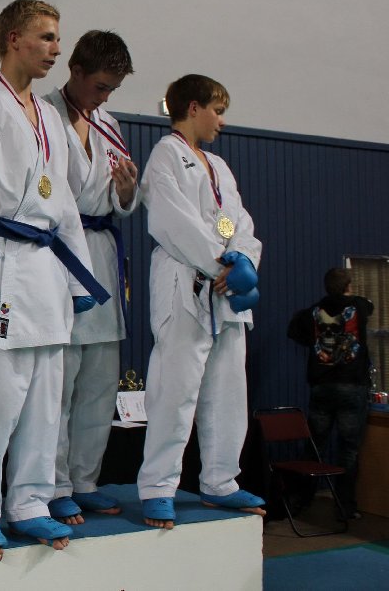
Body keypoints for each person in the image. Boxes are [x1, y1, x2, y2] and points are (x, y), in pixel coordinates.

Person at [0, 0, 107, 562]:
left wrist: (79, 281)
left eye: (57, 39)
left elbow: (66, 208)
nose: (57, 49)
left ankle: (31, 501)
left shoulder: (51, 118)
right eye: (47, 37)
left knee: (43, 402)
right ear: (14, 38)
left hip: (47, 270)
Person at [136, 74, 266, 528]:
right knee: (175, 391)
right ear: (193, 107)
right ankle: (158, 486)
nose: (222, 121)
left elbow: (241, 222)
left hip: (226, 294)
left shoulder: (220, 166)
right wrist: (220, 263)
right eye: (218, 110)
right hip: (184, 282)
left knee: (229, 391)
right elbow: (173, 221)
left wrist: (244, 259)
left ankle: (220, 481)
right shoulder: (165, 156)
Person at [43, 30, 139, 524]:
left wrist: (126, 194)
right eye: (100, 86)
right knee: (58, 387)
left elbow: (119, 201)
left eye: (112, 90)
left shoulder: (109, 125)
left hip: (100, 252)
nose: (104, 98)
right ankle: (54, 484)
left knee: (100, 384)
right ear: (75, 71)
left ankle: (85, 480)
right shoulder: (41, 115)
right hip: (58, 253)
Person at [288, 268, 373, 519]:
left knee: (315, 445)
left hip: (322, 387)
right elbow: (370, 307)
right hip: (352, 386)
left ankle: (301, 501)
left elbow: (293, 330)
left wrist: (314, 343)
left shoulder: (313, 311)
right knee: (349, 449)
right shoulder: (359, 306)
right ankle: (345, 507)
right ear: (348, 285)